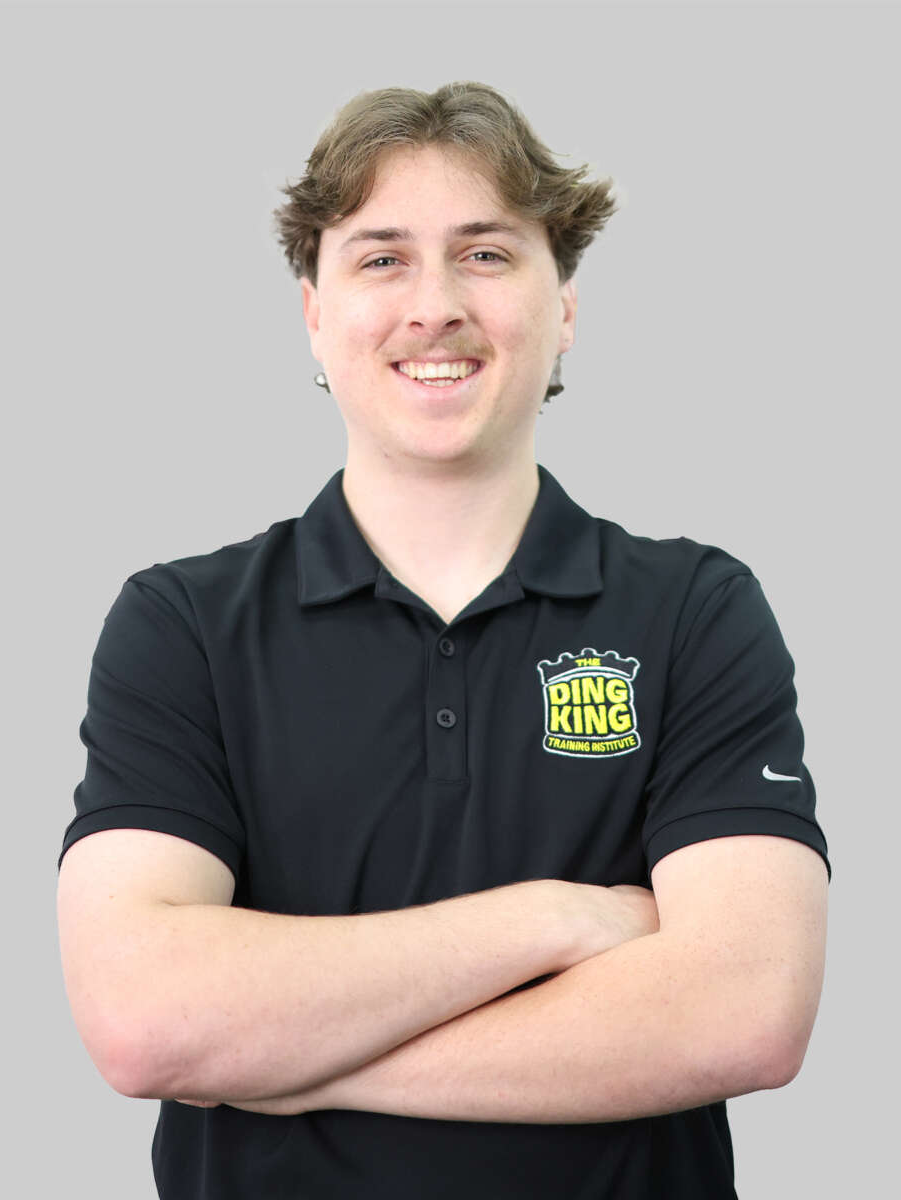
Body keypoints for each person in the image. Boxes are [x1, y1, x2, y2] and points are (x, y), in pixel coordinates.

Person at [57, 81, 830, 1200]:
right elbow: (144, 1018)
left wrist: (291, 1059)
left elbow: (744, 1011)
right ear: (315, 313)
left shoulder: (694, 609)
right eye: (381, 259)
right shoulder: (182, 626)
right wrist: (558, 917)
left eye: (484, 254)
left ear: (563, 305)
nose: (434, 307)